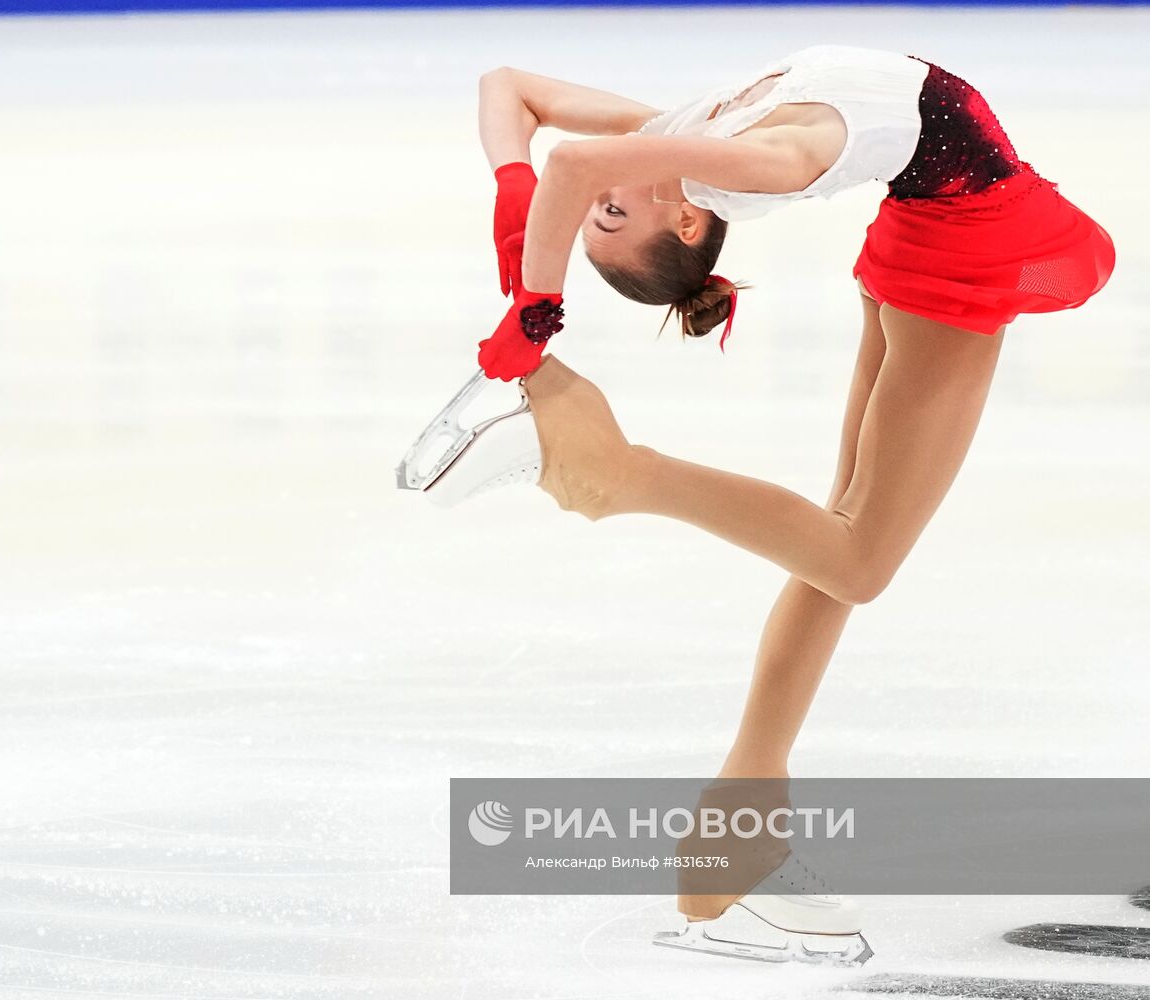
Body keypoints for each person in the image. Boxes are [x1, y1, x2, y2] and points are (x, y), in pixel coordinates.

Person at [445, 43, 1116, 963]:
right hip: (963, 254)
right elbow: (577, 163)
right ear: (684, 220)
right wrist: (534, 286)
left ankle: (731, 851)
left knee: (833, 542)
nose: (595, 200)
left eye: (601, 216)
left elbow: (511, 91)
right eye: (609, 213)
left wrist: (516, 205)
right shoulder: (761, 159)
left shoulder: (681, 138)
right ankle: (614, 472)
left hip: (925, 234)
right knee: (855, 558)